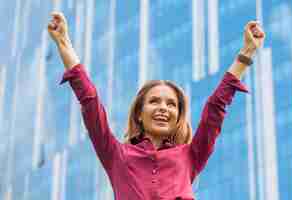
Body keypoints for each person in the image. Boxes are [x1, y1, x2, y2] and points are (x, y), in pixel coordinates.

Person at [48, 11, 265, 200]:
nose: (163, 108)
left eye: (171, 104)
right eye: (154, 101)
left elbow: (215, 109)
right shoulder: (116, 155)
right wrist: (64, 42)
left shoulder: (190, 155)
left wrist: (246, 53)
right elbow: (90, 102)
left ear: (178, 117)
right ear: (139, 114)